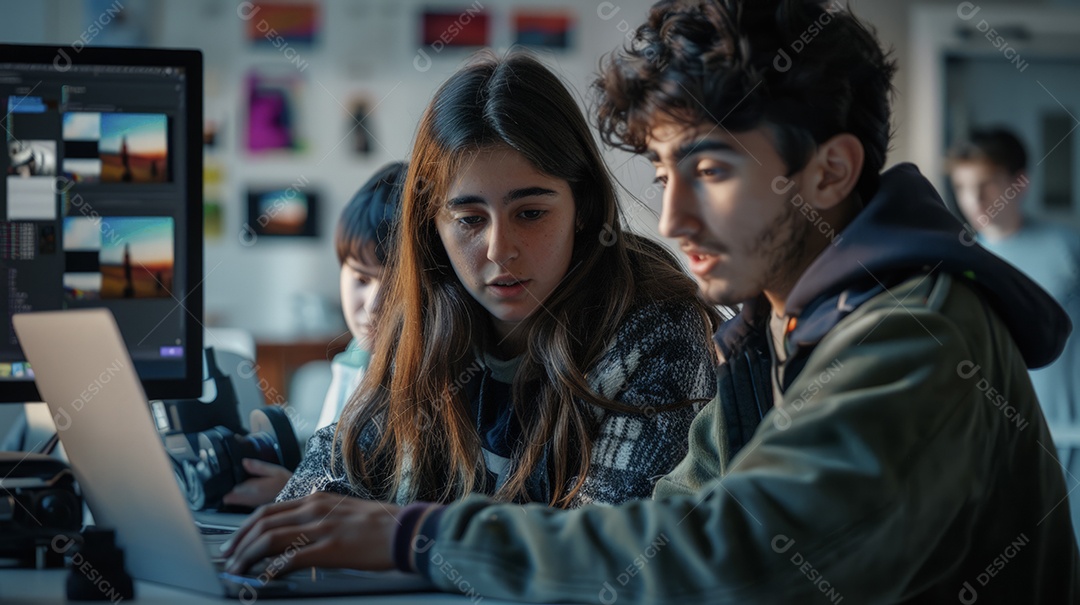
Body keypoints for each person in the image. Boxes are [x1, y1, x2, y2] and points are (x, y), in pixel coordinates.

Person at [224, 1, 1079, 602]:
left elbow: (736, 561)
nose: (672, 217)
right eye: (665, 175)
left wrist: (416, 538)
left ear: (829, 170)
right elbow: (671, 521)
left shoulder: (917, 335)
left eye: (711, 169)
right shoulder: (776, 330)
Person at [270, 50, 719, 510]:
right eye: (468, 219)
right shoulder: (427, 314)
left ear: (581, 207)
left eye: (530, 213)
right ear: (432, 225)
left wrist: (406, 538)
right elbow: (330, 478)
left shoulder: (656, 327)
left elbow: (609, 545)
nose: (499, 249)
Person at [221, 161, 406, 508]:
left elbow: (385, 504)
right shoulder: (353, 362)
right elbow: (333, 473)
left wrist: (293, 491)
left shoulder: (425, 377)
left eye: (397, 286)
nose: (375, 304)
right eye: (362, 279)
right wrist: (295, 484)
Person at [949, 128, 1080, 542]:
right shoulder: (959, 260)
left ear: (1019, 183)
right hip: (996, 448)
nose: (974, 200)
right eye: (963, 187)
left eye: (986, 184)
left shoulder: (1067, 250)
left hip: (1069, 441)